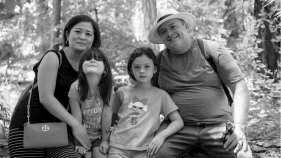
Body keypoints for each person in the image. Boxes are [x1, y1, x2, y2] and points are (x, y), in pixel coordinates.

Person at [147, 8, 253, 158]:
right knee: (153, 154)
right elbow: (149, 96)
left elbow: (239, 86)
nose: (169, 33)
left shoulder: (212, 50)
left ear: (184, 25)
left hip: (218, 126)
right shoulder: (158, 61)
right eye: (163, 31)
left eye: (173, 26)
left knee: (242, 155)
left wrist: (239, 127)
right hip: (176, 128)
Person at [8, 14, 101, 158]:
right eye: (78, 31)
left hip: (59, 131)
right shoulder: (54, 57)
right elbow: (46, 97)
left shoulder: (87, 69)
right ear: (67, 34)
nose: (82, 36)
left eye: (88, 34)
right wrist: (76, 125)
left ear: (93, 40)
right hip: (27, 128)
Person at [109, 47, 184, 158]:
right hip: (118, 146)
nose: (142, 70)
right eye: (137, 67)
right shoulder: (121, 92)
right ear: (131, 70)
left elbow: (178, 121)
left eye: (147, 66)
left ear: (154, 69)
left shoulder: (161, 95)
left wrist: (161, 136)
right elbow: (111, 115)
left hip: (145, 150)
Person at [68, 48, 113, 158]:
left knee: (101, 155)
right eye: (88, 59)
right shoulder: (75, 88)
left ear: (105, 69)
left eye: (97, 59)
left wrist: (105, 140)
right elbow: (76, 117)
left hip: (99, 136)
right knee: (86, 156)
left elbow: (107, 116)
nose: (92, 61)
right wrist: (78, 142)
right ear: (82, 69)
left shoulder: (108, 88)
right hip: (82, 135)